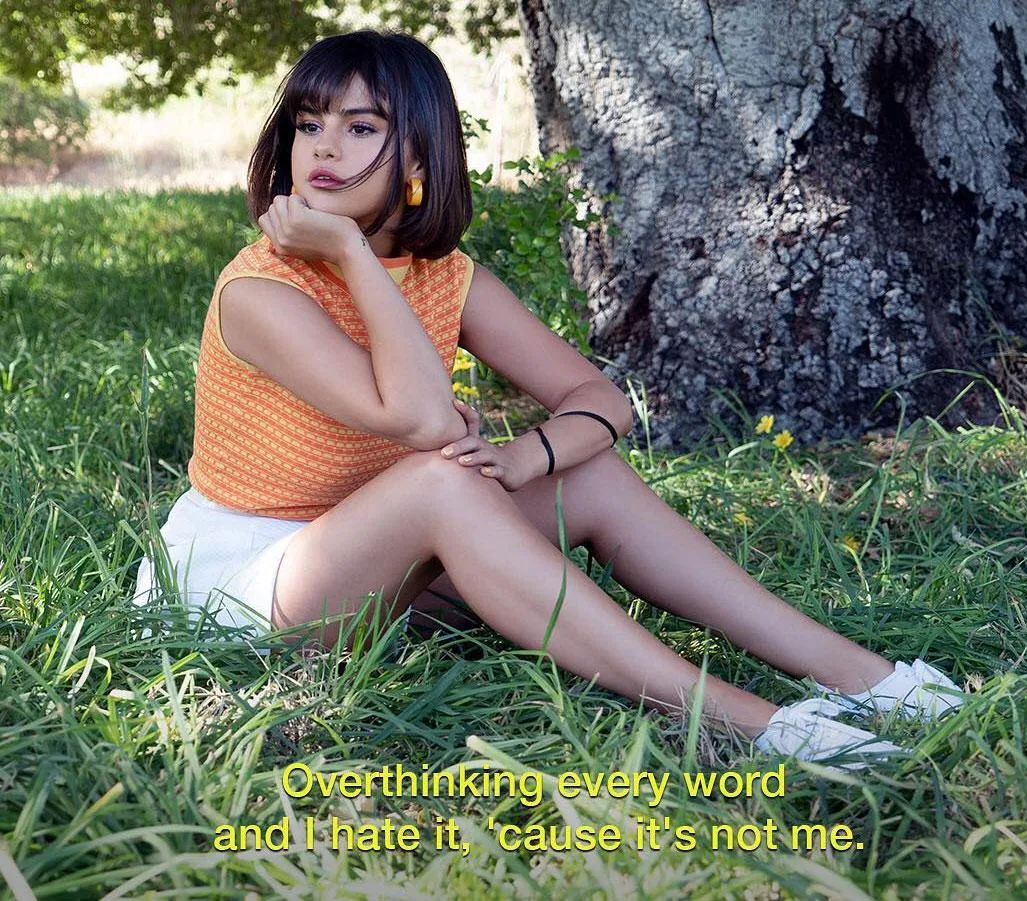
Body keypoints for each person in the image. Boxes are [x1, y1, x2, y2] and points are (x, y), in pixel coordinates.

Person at [135, 30, 965, 766]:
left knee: (587, 476)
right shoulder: (260, 290)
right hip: (244, 588)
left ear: (420, 158)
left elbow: (601, 401)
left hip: (376, 563)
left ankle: (869, 678)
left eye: (362, 128)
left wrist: (523, 455)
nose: (324, 146)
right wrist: (350, 249)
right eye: (309, 124)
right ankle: (751, 725)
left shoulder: (445, 276)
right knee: (440, 481)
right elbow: (422, 421)